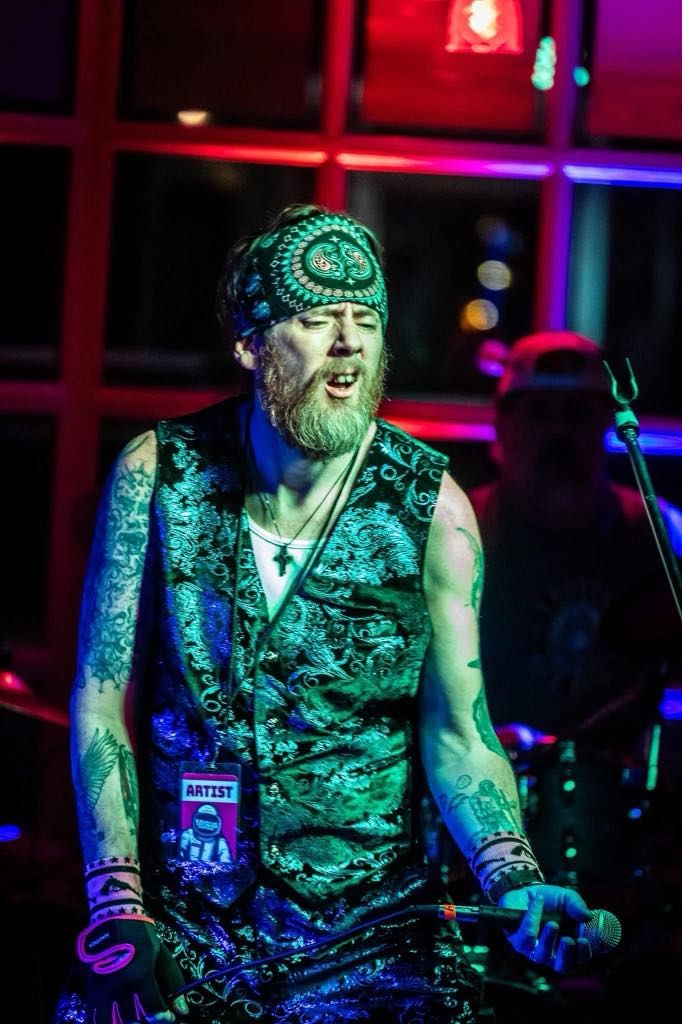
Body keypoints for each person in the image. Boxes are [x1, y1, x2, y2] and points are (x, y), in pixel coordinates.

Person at [55, 206, 594, 1024]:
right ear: (251, 344)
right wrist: (117, 906)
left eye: (366, 322)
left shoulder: (433, 510)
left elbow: (460, 731)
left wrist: (513, 876)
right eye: (317, 321)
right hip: (183, 927)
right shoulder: (157, 475)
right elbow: (101, 703)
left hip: (373, 943)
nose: (349, 344)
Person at [467, 330, 682, 1019]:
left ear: (604, 428)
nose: (558, 435)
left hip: (626, 818)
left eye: (578, 415)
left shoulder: (659, 533)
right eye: (540, 414)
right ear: (503, 427)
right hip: (489, 804)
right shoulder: (464, 530)